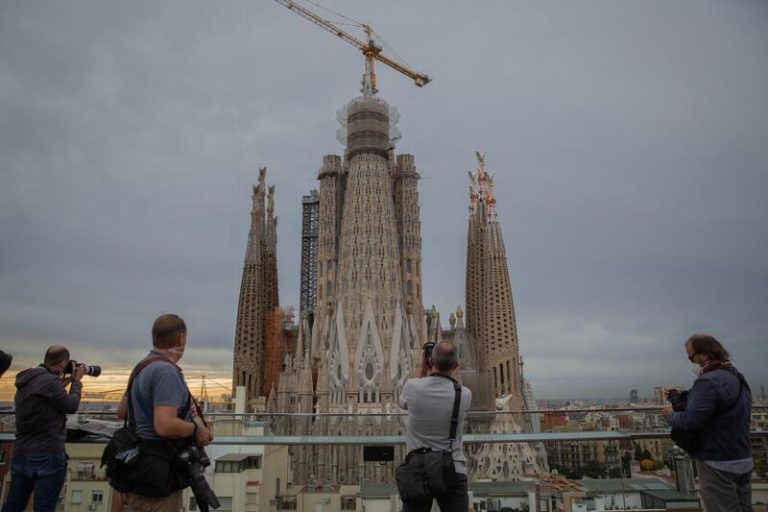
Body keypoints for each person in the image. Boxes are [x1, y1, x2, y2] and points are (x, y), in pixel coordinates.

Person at [115, 313, 213, 512]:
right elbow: (165, 425)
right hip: (158, 475)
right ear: (181, 339)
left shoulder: (141, 367)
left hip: (136, 467)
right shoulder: (166, 372)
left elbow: (122, 411)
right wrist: (196, 429)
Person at [662, 333, 752, 511]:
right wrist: (680, 396)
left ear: (703, 354)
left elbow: (691, 420)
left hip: (717, 460)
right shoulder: (736, 376)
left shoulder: (708, 381)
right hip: (742, 456)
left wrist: (670, 414)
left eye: (691, 357)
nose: (692, 362)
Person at [2, 346, 84, 512]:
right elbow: (71, 405)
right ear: (63, 363)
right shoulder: (50, 383)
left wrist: (62, 382)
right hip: (47, 453)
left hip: (22, 453)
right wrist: (76, 383)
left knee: (13, 505)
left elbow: (45, 395)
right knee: (44, 508)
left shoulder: (28, 379)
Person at [399, 341, 472, 512]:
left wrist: (421, 366)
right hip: (453, 469)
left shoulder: (412, 387)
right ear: (456, 365)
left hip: (418, 470)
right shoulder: (465, 395)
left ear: (431, 362)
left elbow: (404, 402)